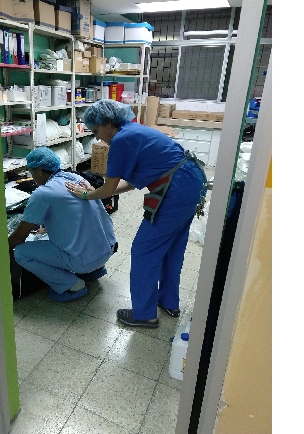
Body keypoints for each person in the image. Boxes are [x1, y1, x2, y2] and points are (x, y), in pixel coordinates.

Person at [66, 100, 207, 329]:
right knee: (172, 247)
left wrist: (85, 195)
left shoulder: (121, 140)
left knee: (144, 250)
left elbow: (108, 189)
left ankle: (145, 315)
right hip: (191, 181)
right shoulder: (133, 130)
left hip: (176, 188)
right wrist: (96, 192)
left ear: (107, 122)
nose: (98, 137)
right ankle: (169, 302)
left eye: (96, 130)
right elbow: (131, 182)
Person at [11, 147, 117, 303]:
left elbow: (20, 236)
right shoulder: (75, 177)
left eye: (31, 172)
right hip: (107, 248)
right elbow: (77, 213)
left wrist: (0, 250)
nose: (32, 177)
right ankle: (94, 271)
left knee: (21, 252)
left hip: (85, 261)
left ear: (39, 170)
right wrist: (50, 227)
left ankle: (72, 286)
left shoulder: (42, 193)